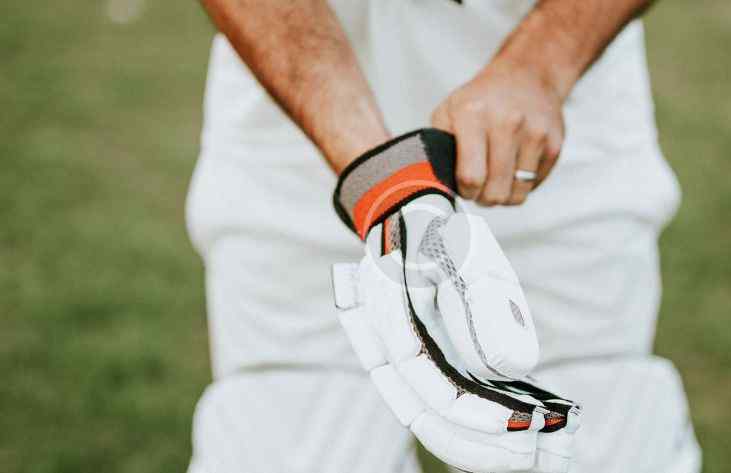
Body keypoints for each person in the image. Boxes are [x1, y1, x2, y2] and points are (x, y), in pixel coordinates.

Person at [185, 1, 701, 472]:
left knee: (580, 448)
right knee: (301, 448)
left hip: (558, 136)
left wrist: (540, 66)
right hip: (299, 140)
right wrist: (384, 184)